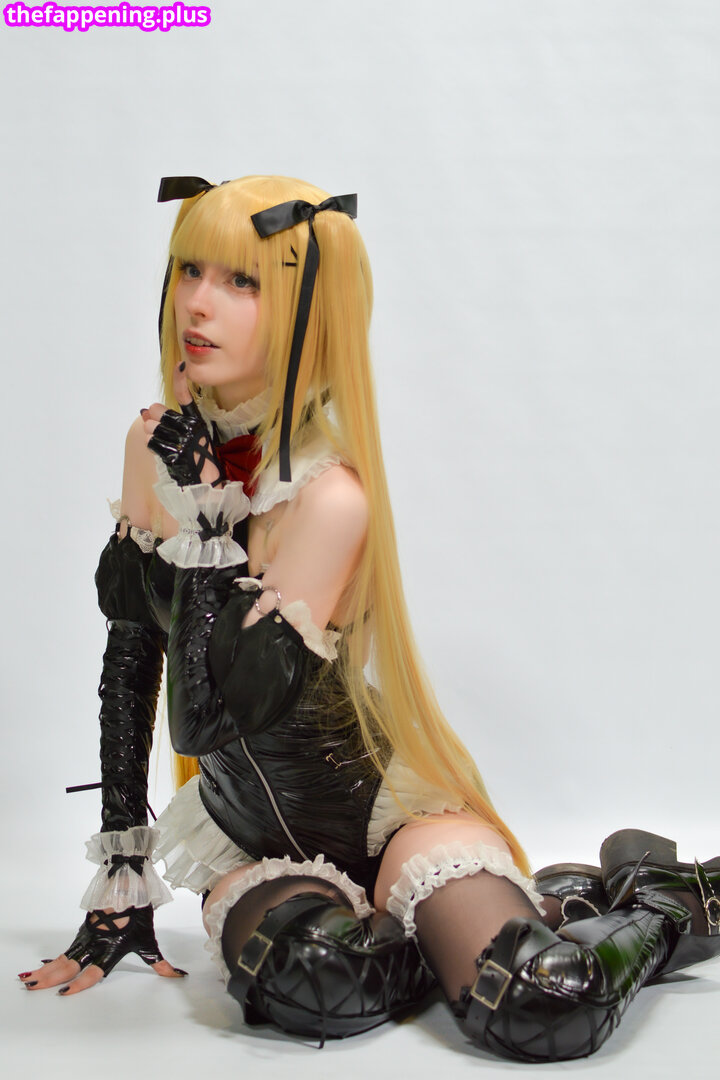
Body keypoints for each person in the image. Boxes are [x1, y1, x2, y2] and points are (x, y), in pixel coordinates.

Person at [19, 175, 720, 1062]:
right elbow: (132, 657)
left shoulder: (327, 498)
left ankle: (665, 904)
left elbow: (207, 718)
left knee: (541, 1005)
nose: (198, 303)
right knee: (313, 985)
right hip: (254, 843)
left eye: (242, 282)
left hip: (388, 822)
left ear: (310, 312)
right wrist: (122, 884)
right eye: (190, 269)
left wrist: (205, 524)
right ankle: (538, 908)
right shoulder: (152, 446)